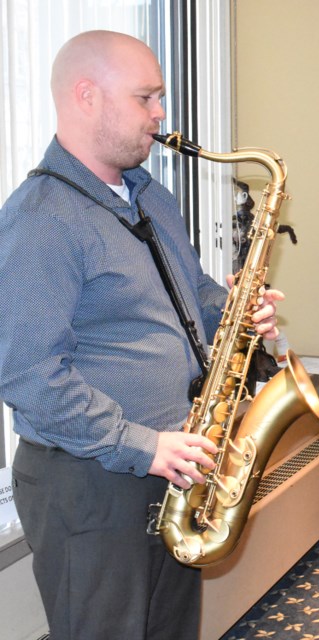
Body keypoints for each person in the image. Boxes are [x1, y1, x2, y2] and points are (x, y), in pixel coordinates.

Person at [0, 30, 284, 639]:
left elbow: (187, 295)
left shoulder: (152, 196)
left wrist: (231, 307)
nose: (161, 115)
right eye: (146, 98)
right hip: (91, 486)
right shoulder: (40, 220)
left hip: (170, 468)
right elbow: (29, 376)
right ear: (86, 97)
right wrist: (143, 446)